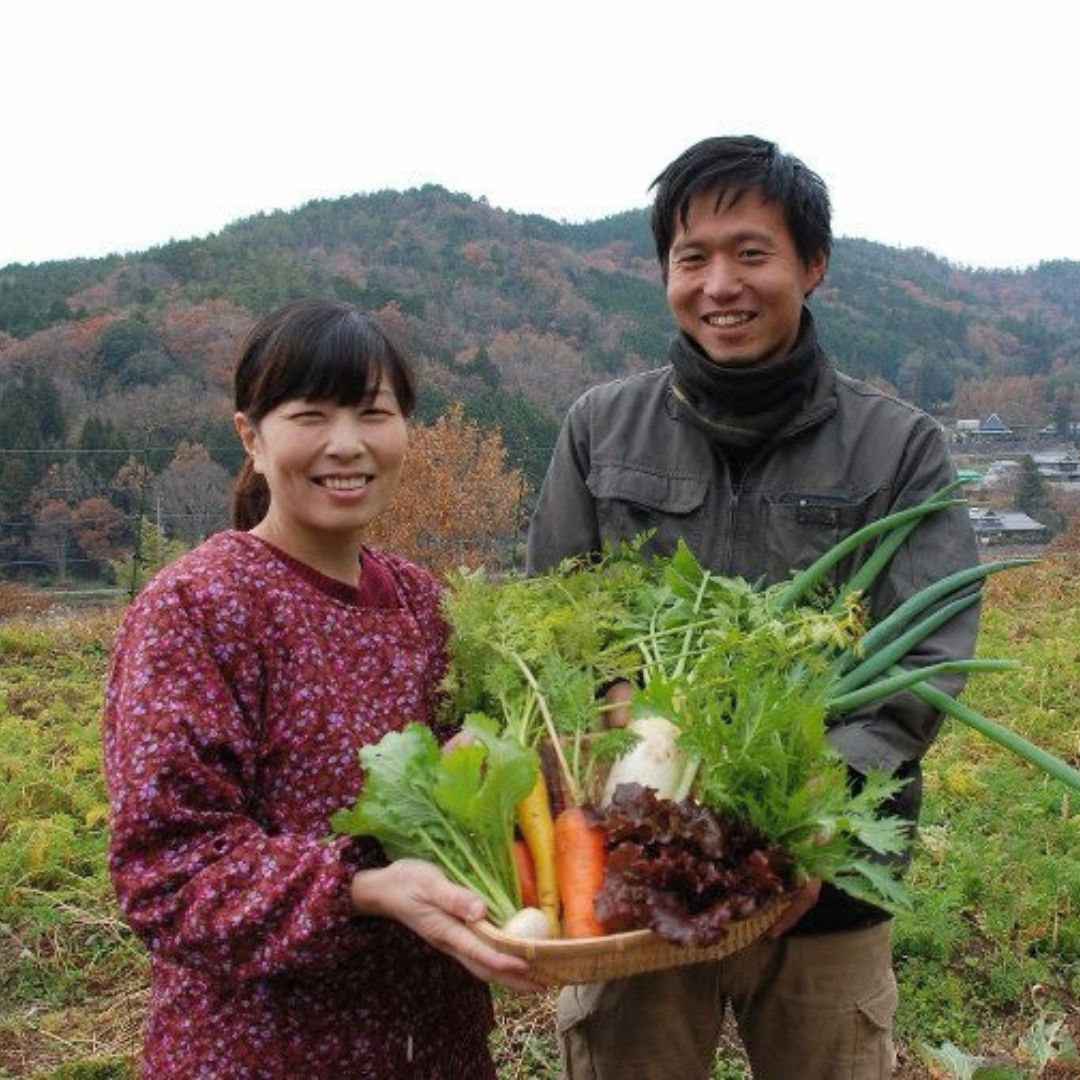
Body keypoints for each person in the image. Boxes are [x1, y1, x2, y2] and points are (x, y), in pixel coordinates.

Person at [526, 136, 980, 1079]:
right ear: (665, 273)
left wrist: (805, 815)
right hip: (635, 870)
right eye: (692, 259)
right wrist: (616, 714)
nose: (719, 283)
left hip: (826, 884)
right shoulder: (598, 428)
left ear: (811, 265)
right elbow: (554, 618)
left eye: (751, 253)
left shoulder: (899, 448)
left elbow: (919, 666)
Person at [103, 299, 536, 1080]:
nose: (347, 444)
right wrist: (363, 888)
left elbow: (464, 802)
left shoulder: (423, 602)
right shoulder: (199, 606)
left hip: (431, 1047)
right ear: (252, 438)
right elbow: (169, 873)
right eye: (310, 415)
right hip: (259, 1051)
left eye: (374, 413)